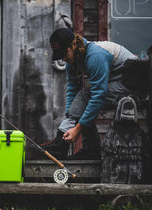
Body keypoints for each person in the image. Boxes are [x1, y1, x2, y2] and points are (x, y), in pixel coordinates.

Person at [41, 28, 138, 160]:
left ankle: (89, 148)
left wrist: (77, 128)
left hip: (132, 85)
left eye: (64, 53)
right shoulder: (72, 62)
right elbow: (72, 90)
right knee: (82, 99)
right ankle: (65, 142)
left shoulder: (95, 55)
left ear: (74, 45)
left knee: (86, 97)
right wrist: (69, 121)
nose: (63, 58)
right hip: (116, 81)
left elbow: (99, 95)